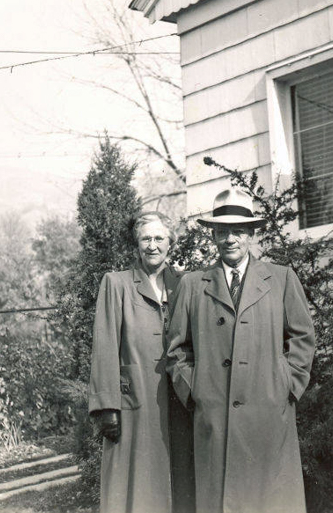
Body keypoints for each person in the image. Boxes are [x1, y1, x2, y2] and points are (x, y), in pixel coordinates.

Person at [166, 188, 316, 513]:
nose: (229, 239)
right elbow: (176, 349)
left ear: (250, 233)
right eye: (222, 231)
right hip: (215, 417)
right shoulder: (192, 285)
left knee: (272, 499)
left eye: (237, 231)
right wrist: (196, 391)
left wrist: (287, 385)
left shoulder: (281, 279)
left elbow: (303, 337)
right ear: (213, 236)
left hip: (268, 414)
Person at [88, 211, 195, 513]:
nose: (152, 245)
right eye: (145, 238)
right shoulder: (116, 284)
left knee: (183, 484)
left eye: (159, 238)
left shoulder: (186, 284)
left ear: (170, 243)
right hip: (135, 402)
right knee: (136, 488)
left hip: (180, 400)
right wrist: (106, 406)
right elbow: (105, 345)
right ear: (136, 244)